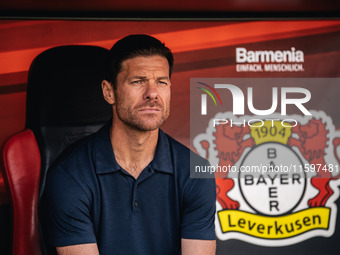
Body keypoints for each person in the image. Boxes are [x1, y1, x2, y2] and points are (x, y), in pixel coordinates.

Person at [41, 34, 216, 255]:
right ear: (109, 92)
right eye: (138, 81)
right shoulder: (70, 175)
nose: (152, 93)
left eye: (161, 82)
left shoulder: (195, 172)